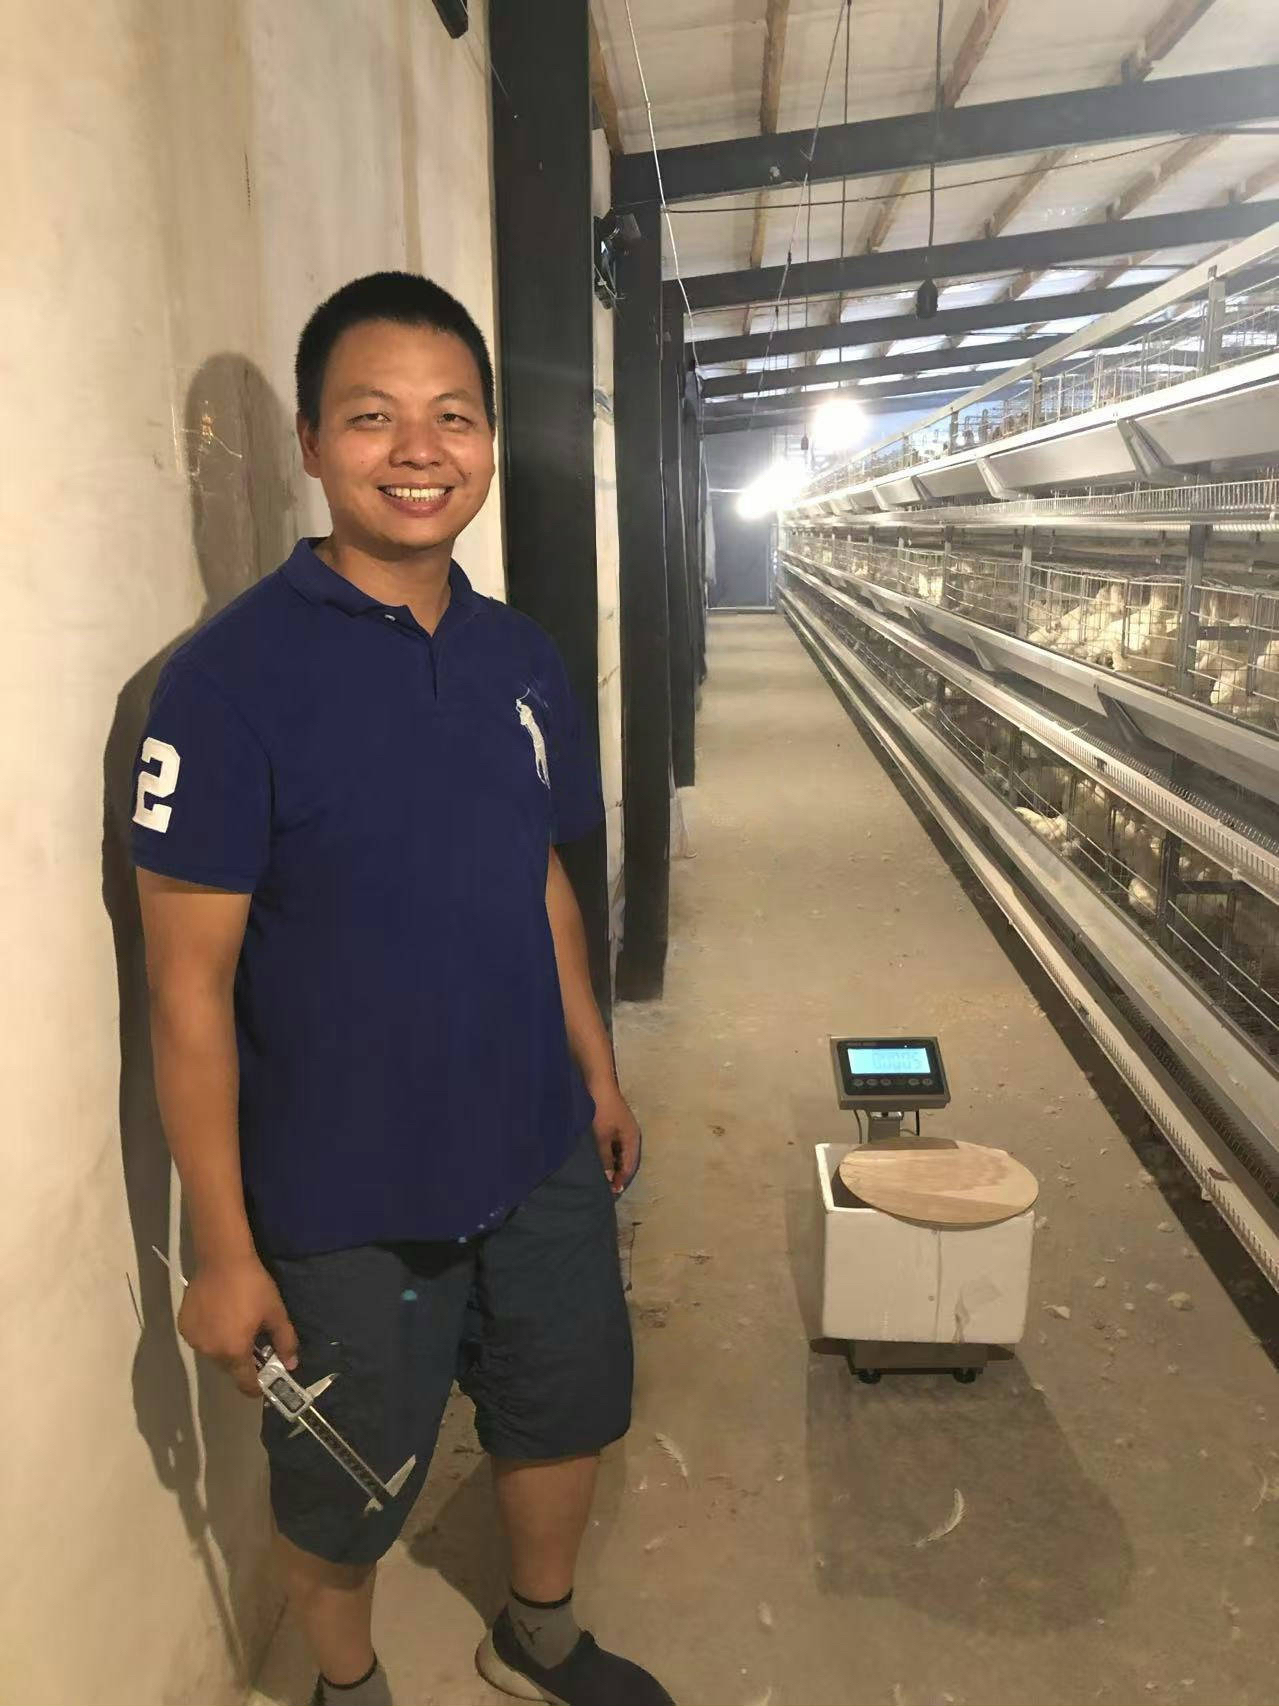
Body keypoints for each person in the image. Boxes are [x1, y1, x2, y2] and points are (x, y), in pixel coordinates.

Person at [132, 272, 674, 1706]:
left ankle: (537, 1634)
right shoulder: (227, 684)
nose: (420, 451)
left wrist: (595, 1072)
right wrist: (223, 1251)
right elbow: (186, 991)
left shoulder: (521, 659)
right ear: (312, 444)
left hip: (535, 1140)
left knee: (563, 1402)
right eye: (374, 417)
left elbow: (539, 879)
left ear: (490, 441)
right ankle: (348, 1688)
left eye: (455, 417)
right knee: (342, 1481)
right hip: (342, 1195)